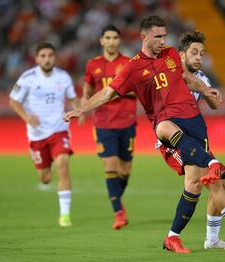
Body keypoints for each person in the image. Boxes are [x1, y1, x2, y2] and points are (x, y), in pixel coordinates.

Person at [63, 15, 225, 253]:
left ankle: (178, 237)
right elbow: (107, 94)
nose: (162, 40)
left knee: (198, 184)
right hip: (168, 124)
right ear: (144, 37)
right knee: (170, 135)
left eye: (164, 36)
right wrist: (80, 108)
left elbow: (186, 79)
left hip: (195, 122)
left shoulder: (170, 54)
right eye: (158, 36)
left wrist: (205, 89)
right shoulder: (133, 67)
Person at [158, 30, 225, 250]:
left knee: (212, 184)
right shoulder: (170, 75)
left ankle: (208, 239)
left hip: (195, 137)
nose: (199, 57)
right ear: (181, 55)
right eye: (194, 53)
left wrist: (209, 92)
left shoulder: (203, 79)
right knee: (208, 181)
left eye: (201, 53)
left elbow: (215, 105)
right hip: (174, 138)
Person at [9, 41, 82, 227]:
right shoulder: (27, 78)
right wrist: (26, 117)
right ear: (36, 59)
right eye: (43, 56)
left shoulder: (63, 77)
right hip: (37, 135)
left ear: (54, 57)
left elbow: (73, 98)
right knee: (45, 177)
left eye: (50, 55)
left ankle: (64, 215)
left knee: (63, 167)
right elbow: (13, 101)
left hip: (59, 130)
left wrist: (78, 111)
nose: (47, 59)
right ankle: (43, 170)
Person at [82, 25, 137, 230]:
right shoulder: (92, 65)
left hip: (127, 121)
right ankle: (119, 213)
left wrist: (114, 92)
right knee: (110, 166)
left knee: (125, 170)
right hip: (103, 123)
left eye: (115, 37)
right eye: (108, 37)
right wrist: (83, 103)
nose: (112, 41)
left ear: (119, 41)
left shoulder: (129, 64)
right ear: (101, 41)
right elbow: (87, 88)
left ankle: (116, 199)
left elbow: (138, 90)